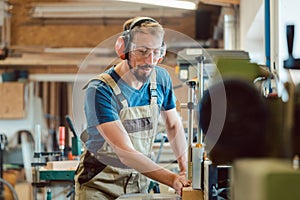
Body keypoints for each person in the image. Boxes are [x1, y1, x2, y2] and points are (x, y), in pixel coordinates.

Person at [75, 16, 191, 199]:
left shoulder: (160, 78)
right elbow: (125, 152)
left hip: (138, 183)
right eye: (142, 51)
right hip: (100, 186)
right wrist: (172, 178)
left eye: (156, 52)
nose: (150, 60)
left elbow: (173, 125)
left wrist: (185, 169)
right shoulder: (100, 90)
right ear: (124, 49)